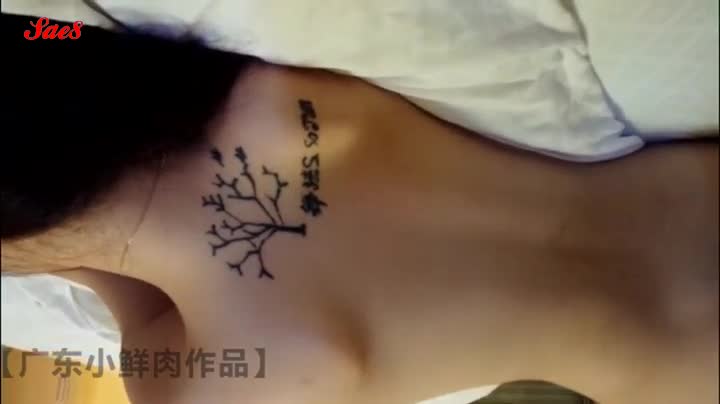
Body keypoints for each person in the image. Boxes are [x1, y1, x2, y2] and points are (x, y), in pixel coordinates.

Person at [2, 12, 717, 404]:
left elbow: (110, 292)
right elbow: (53, 29)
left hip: (683, 363)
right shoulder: (260, 95)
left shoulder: (215, 382)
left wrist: (49, 255)